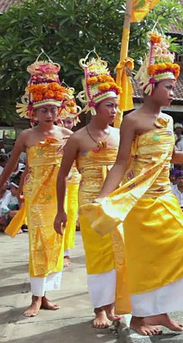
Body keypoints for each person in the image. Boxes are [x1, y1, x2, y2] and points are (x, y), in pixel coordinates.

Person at [86, 31, 183, 336]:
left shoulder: (169, 121)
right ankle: (140, 318)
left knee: (182, 248)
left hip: (165, 198)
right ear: (150, 87)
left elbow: (172, 155)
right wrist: (104, 198)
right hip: (141, 202)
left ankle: (159, 312)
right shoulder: (132, 121)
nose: (173, 92)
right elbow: (121, 162)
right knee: (146, 260)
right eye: (168, 87)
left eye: (174, 87)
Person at [0, 58, 73, 317]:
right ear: (34, 112)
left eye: (54, 109)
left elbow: (79, 163)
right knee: (38, 243)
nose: (50, 114)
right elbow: (11, 165)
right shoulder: (26, 136)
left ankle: (45, 295)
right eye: (44, 110)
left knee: (54, 242)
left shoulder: (66, 136)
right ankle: (35, 297)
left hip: (58, 195)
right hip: (36, 195)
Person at [53, 55, 127, 329]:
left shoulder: (121, 134)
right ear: (94, 105)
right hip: (90, 201)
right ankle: (100, 309)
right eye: (110, 105)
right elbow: (62, 175)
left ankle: (117, 304)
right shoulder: (77, 138)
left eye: (117, 106)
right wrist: (61, 211)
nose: (115, 111)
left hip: (118, 200)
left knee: (120, 251)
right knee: (98, 255)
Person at [60, 98, 82, 268]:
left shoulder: (77, 138)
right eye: (64, 121)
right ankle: (54, 250)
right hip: (56, 181)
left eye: (70, 121)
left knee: (70, 215)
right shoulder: (53, 136)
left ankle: (66, 252)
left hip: (74, 181)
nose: (67, 124)